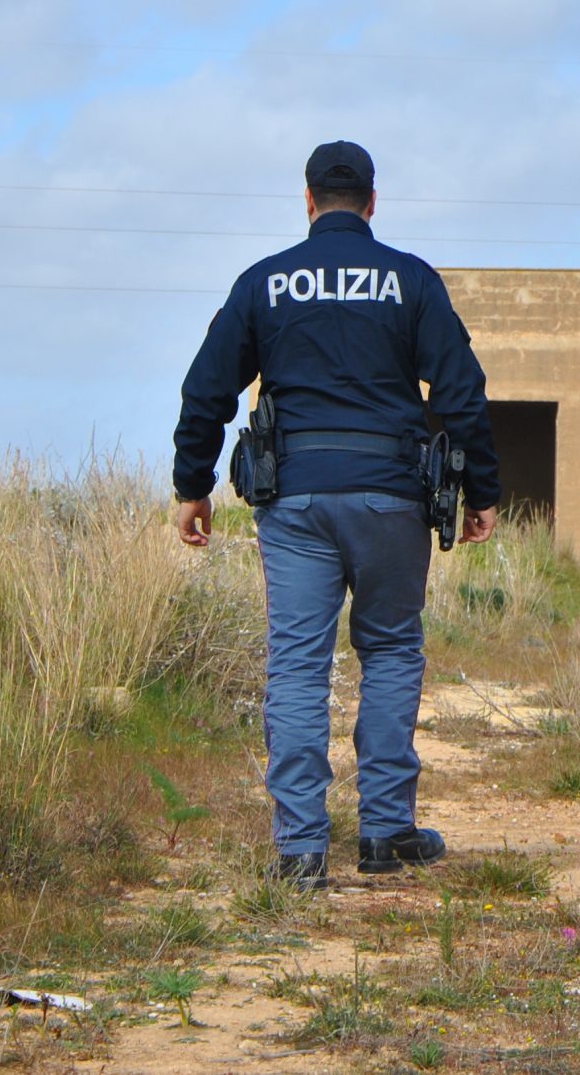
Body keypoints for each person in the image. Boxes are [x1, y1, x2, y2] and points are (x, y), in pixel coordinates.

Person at [171, 141, 502, 887]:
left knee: (297, 664)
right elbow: (461, 391)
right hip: (392, 494)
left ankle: (300, 851)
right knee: (388, 651)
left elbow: (206, 391)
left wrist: (193, 484)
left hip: (294, 503)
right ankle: (385, 833)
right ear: (373, 203)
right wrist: (482, 489)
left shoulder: (264, 283)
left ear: (310, 200)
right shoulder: (411, 281)